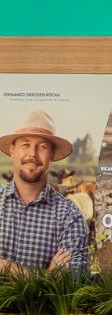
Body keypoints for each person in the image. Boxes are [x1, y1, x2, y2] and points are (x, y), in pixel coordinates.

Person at [0, 109, 90, 273]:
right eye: (25, 145)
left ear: (52, 155)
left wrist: (4, 267)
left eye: (42, 147)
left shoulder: (70, 216)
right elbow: (56, 280)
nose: (32, 154)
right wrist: (45, 276)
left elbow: (75, 276)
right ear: (12, 150)